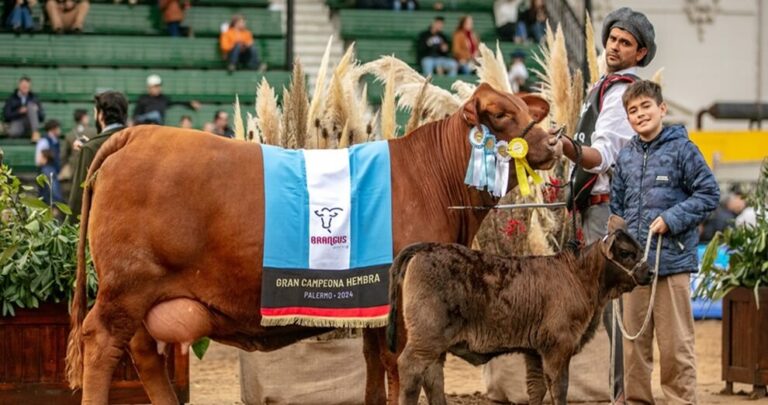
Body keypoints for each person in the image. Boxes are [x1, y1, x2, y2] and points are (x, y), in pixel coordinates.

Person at [558, 7, 657, 403]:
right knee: (596, 307)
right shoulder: (603, 86)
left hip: (604, 210)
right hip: (589, 206)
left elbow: (603, 156)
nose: (615, 46)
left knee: (616, 311)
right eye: (613, 39)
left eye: (625, 42)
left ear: (641, 53)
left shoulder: (622, 92)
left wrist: (564, 147)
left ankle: (625, 395)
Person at [612, 80, 719, 405]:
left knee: (676, 347)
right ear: (628, 118)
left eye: (646, 106)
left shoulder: (683, 149)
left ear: (662, 109)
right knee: (633, 347)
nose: (640, 114)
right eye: (633, 110)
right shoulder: (626, 156)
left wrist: (671, 219)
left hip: (673, 265)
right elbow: (617, 208)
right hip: (634, 270)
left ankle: (680, 401)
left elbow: (709, 194)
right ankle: (636, 401)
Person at [68, 91, 128, 218]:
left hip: (102, 221)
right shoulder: (136, 141)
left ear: (100, 115)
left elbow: (79, 198)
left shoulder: (91, 148)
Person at [133, 74, 200, 125]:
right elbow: (136, 116)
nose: (158, 88)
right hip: (145, 127)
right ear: (149, 87)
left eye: (159, 86)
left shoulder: (163, 99)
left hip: (158, 127)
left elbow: (177, 102)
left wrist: (190, 104)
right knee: (155, 115)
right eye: (155, 86)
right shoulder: (143, 99)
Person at [60, 108, 96, 197]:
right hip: (90, 166)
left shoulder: (69, 134)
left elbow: (63, 155)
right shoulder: (94, 132)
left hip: (74, 168)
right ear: (83, 117)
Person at [36, 119, 63, 204]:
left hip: (54, 167)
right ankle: (58, 202)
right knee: (52, 187)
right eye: (58, 128)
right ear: (53, 129)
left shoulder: (55, 141)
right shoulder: (44, 141)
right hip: (47, 168)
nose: (60, 130)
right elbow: (40, 161)